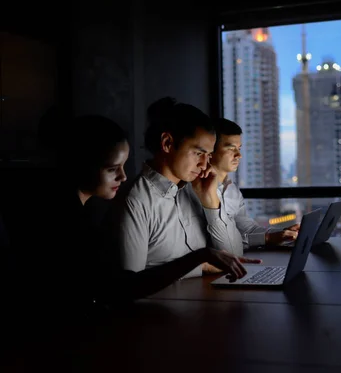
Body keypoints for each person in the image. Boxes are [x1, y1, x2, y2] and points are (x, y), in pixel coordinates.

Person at [20, 114, 257, 316]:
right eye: (113, 168)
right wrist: (200, 261)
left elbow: (231, 258)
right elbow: (120, 288)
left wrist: (211, 203)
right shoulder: (74, 218)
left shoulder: (191, 189)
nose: (123, 177)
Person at [107, 97, 260, 278]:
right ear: (167, 143)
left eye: (209, 155)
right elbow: (129, 284)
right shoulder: (136, 200)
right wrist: (200, 266)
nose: (205, 164)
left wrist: (211, 202)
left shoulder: (198, 189)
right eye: (198, 153)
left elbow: (234, 256)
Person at [208, 118, 299, 256]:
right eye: (231, 148)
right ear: (210, 151)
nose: (239, 155)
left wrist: (281, 233)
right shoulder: (195, 191)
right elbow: (215, 244)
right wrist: (267, 238)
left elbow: (248, 229)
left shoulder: (231, 189)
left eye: (239, 149)